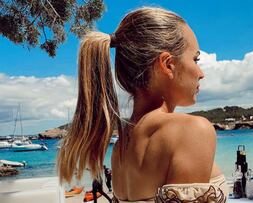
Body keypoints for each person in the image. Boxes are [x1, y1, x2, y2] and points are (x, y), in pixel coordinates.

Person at [57, 7, 228, 203]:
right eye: (195, 59)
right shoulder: (192, 131)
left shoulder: (122, 147)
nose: (200, 72)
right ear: (168, 64)